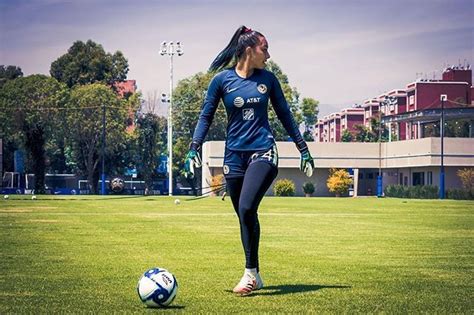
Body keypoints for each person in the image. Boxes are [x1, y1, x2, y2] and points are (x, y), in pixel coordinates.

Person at [184, 25, 314, 296]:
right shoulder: (222, 81)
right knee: (245, 215)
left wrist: (303, 149)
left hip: (263, 152)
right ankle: (255, 274)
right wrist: (193, 148)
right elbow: (205, 116)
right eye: (264, 49)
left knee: (245, 207)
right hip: (233, 156)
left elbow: (285, 115)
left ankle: (249, 274)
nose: (268, 55)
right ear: (248, 50)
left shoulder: (269, 79)